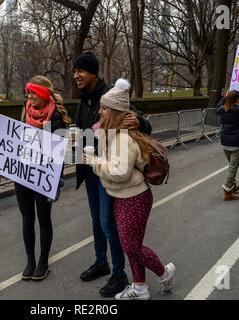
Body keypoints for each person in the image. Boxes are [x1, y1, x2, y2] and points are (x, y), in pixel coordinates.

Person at [83, 78, 175, 300]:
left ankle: (164, 273)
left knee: (132, 247)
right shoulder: (113, 133)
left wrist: (94, 162)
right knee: (132, 245)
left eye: (104, 108)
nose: (100, 111)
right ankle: (141, 287)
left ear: (114, 111)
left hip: (134, 198)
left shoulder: (122, 138)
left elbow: (119, 172)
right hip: (125, 196)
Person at [72, 52, 152, 297]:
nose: (76, 76)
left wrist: (140, 122)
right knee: (97, 221)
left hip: (109, 172)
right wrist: (72, 139)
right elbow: (77, 131)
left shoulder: (111, 97)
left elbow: (140, 121)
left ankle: (119, 274)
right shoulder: (82, 102)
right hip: (90, 170)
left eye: (80, 71)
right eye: (74, 72)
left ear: (93, 73)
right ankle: (101, 262)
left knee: (109, 224)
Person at [17, 75, 71, 281]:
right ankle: (30, 261)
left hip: (44, 175)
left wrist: (56, 179)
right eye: (28, 92)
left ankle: (43, 262)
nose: (29, 96)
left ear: (43, 94)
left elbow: (59, 153)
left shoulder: (55, 117)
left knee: (43, 218)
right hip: (23, 173)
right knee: (27, 218)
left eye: (33, 93)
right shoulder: (25, 109)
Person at [215, 90, 239, 200]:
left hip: (225, 142)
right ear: (238, 99)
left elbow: (216, 108)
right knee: (233, 167)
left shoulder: (223, 109)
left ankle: (233, 184)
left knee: (232, 166)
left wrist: (224, 97)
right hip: (237, 143)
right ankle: (227, 190)